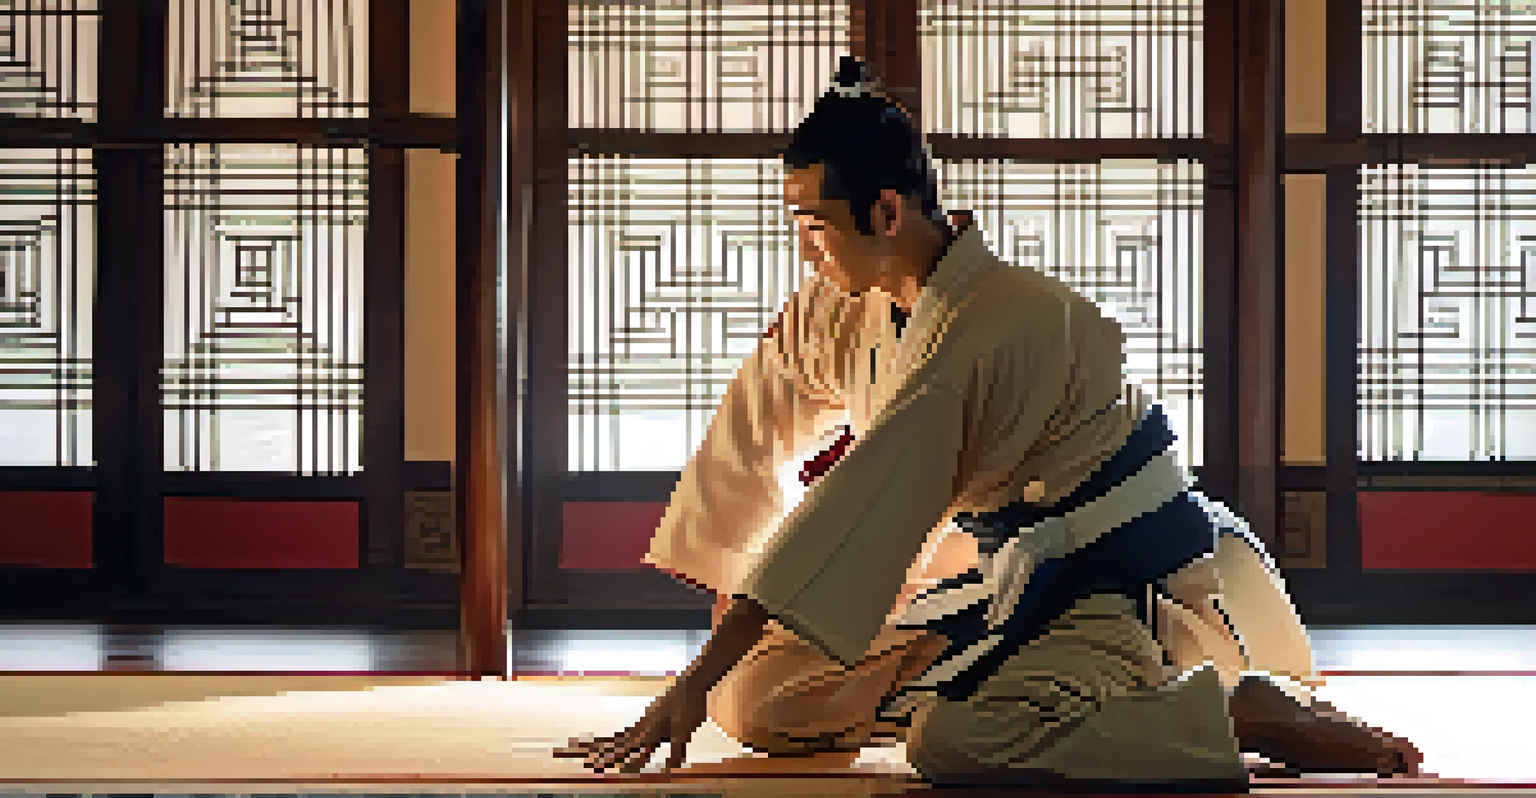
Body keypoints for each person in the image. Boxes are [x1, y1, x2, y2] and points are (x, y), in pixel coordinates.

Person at [557, 56, 1422, 787]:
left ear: (887, 213)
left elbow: (860, 504)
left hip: (1114, 589)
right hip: (998, 577)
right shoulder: (845, 307)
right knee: (758, 697)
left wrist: (685, 684)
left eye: (815, 229)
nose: (807, 252)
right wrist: (727, 624)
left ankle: (1228, 711)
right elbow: (762, 423)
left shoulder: (992, 323)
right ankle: (1008, 687)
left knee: (950, 744)